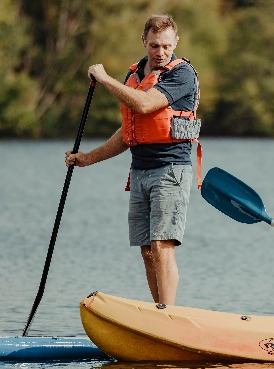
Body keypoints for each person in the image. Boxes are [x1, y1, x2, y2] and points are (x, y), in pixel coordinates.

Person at [65, 14, 201, 306]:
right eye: (154, 45)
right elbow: (129, 133)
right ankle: (158, 311)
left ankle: (167, 314)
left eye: (167, 45)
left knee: (161, 244)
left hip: (171, 170)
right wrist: (88, 158)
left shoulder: (182, 74)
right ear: (144, 41)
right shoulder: (135, 75)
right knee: (146, 249)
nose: (161, 52)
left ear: (176, 42)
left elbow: (145, 104)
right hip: (140, 171)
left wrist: (104, 79)